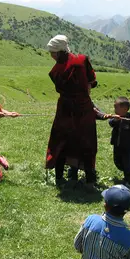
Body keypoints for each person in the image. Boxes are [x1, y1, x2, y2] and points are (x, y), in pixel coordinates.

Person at [45, 35, 98, 191]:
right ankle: (89, 181)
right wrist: (87, 101)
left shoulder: (54, 72)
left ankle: (60, 178)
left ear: (60, 51)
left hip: (65, 109)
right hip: (83, 107)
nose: (51, 55)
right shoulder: (82, 60)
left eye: (53, 52)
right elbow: (90, 83)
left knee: (61, 140)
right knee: (87, 141)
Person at [68, 85, 118, 183]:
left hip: (88, 135)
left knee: (88, 156)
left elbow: (97, 112)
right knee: (74, 155)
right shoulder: (74, 101)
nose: (88, 91)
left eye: (89, 89)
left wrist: (105, 116)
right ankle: (73, 179)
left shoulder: (89, 102)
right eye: (86, 88)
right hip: (75, 134)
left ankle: (90, 181)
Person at [109, 97, 130, 187]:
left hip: (127, 146)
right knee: (117, 162)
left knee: (127, 163)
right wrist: (115, 120)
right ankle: (128, 171)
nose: (114, 109)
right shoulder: (116, 118)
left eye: (116, 107)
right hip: (117, 144)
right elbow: (110, 123)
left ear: (124, 109)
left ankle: (128, 179)